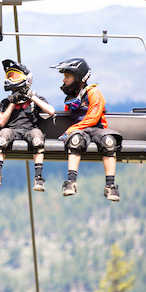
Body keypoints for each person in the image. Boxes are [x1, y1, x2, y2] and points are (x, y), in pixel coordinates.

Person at [50, 57, 122, 202]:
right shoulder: (72, 97)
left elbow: (93, 118)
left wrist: (70, 130)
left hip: (96, 129)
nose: (64, 80)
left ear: (78, 77)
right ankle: (71, 182)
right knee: (75, 141)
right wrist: (72, 131)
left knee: (109, 142)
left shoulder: (93, 93)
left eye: (67, 77)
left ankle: (110, 186)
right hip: (81, 131)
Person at [0, 59, 56, 191]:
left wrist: (31, 97)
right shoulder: (5, 102)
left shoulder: (36, 99)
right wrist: (13, 102)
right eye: (9, 77)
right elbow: (2, 122)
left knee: (37, 138)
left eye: (14, 77)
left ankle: (38, 178)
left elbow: (51, 111)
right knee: (2, 136)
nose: (11, 80)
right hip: (12, 130)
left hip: (30, 130)